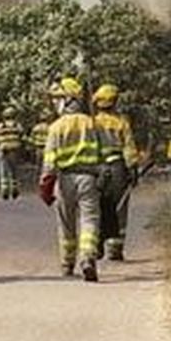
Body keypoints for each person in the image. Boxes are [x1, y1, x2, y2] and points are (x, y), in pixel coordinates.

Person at [38, 77, 107, 281]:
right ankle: (87, 258)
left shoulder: (56, 127)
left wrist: (45, 188)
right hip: (89, 179)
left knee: (66, 223)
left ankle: (67, 263)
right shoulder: (92, 123)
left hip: (65, 180)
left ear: (68, 100)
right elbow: (102, 154)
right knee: (90, 220)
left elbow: (49, 163)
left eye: (58, 99)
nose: (55, 103)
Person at [91, 83, 138, 262]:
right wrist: (133, 168)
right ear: (114, 101)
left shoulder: (92, 123)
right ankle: (115, 249)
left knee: (97, 206)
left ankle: (97, 244)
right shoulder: (122, 122)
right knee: (120, 207)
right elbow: (129, 147)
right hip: (118, 167)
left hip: (98, 168)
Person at [0, 106, 25, 200]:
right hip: (14, 151)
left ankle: (4, 191)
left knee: (3, 171)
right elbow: (22, 137)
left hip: (3, 151)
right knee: (14, 171)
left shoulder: (0, 126)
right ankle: (14, 190)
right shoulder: (17, 125)